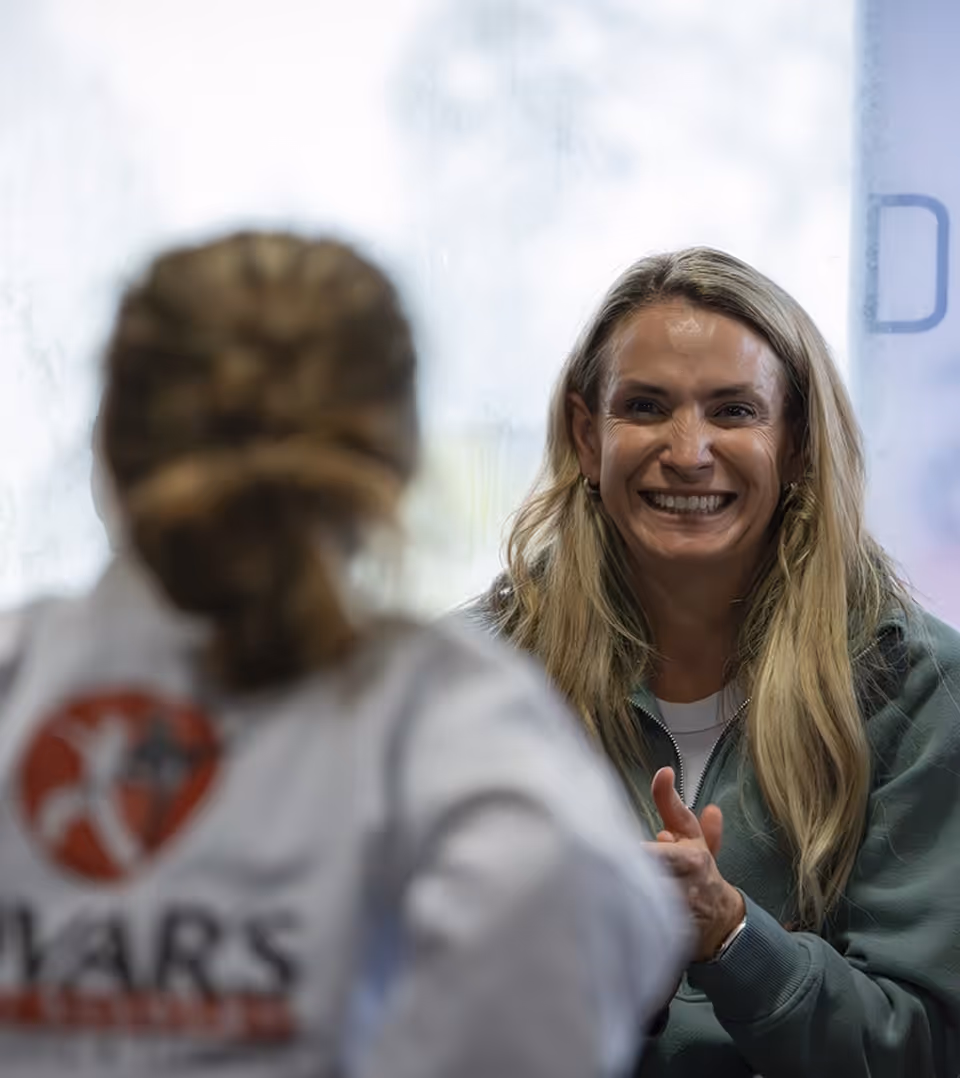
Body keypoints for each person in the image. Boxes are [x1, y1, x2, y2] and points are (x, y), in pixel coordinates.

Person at [0, 232, 688, 1077]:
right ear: (394, 462)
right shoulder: (458, 728)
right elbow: (570, 955)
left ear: (107, 442)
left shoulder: (15, 682)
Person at [477, 246, 960, 1077]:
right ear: (589, 438)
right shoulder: (474, 683)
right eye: (646, 407)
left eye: (734, 411)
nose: (689, 450)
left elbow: (923, 1045)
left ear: (799, 445)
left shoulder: (919, 690)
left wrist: (731, 936)